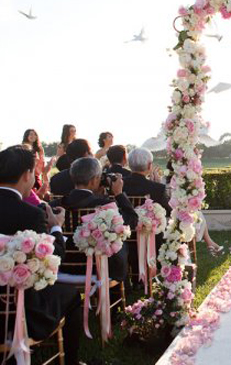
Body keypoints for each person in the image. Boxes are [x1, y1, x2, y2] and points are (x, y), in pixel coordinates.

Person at [0, 146, 82, 365]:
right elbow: (54, 260)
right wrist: (56, 228)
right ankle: (71, 361)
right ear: (27, 175)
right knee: (72, 295)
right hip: (21, 307)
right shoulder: (31, 214)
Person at [56, 157, 136, 281]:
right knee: (121, 243)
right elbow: (131, 219)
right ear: (94, 180)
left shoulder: (55, 206)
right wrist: (119, 194)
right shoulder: (105, 205)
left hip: (64, 266)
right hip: (99, 267)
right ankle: (118, 292)